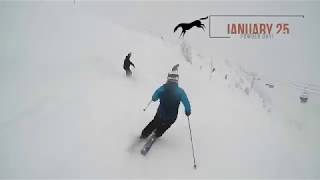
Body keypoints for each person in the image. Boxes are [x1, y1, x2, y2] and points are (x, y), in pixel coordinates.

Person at [140, 68, 191, 140]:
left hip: (160, 114)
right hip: (172, 116)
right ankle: (157, 133)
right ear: (177, 80)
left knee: (154, 123)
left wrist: (155, 97)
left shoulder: (162, 88)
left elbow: (154, 98)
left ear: (168, 79)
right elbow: (186, 103)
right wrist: (188, 111)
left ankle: (144, 134)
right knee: (166, 125)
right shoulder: (180, 91)